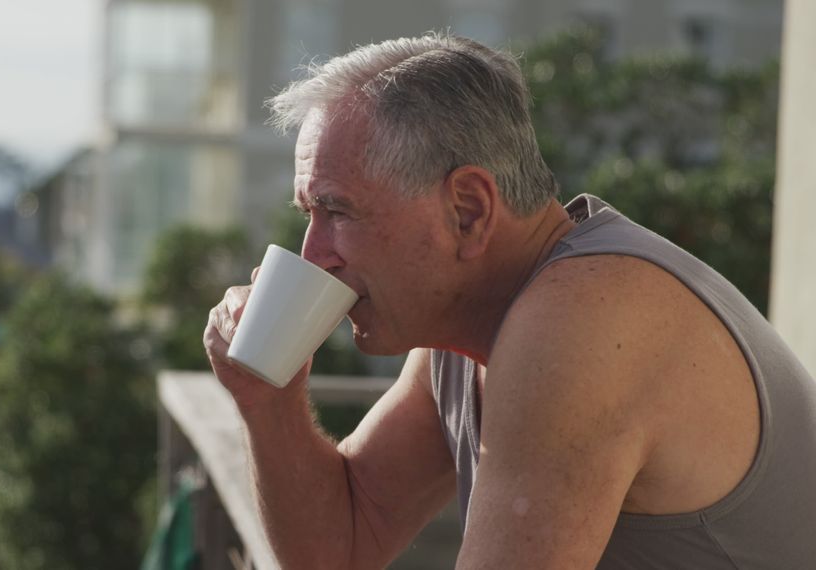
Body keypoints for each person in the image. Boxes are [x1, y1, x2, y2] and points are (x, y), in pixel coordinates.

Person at [203, 33, 816, 569]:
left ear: (467, 210)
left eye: (337, 211)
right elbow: (340, 549)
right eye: (310, 215)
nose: (314, 254)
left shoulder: (584, 322)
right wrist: (269, 400)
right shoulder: (465, 325)